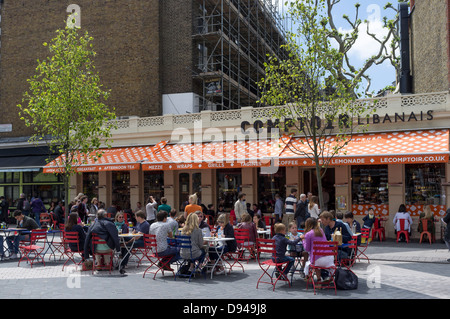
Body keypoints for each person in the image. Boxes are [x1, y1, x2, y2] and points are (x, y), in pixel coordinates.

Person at [301, 217, 334, 281]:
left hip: (318, 260)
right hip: (330, 259)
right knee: (316, 257)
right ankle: (320, 278)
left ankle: (314, 278)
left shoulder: (308, 234)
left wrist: (303, 240)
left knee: (314, 259)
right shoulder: (321, 231)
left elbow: (307, 249)